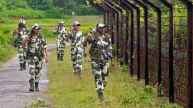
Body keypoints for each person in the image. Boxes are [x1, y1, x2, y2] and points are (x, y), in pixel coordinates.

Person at [84, 23, 112, 98]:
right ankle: (100, 93)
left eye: (103, 28)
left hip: (105, 61)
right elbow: (86, 42)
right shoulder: (93, 36)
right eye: (100, 28)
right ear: (97, 28)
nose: (102, 29)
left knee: (105, 79)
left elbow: (110, 48)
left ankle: (102, 86)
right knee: (98, 76)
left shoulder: (107, 37)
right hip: (95, 60)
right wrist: (89, 35)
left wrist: (109, 55)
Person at [23, 24, 48, 92]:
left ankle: (36, 86)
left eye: (39, 29)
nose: (38, 30)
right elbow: (23, 45)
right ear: (33, 29)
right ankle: (31, 86)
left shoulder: (41, 37)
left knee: (38, 72)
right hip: (31, 57)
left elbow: (45, 47)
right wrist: (25, 40)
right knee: (32, 71)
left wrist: (46, 56)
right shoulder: (29, 36)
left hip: (39, 57)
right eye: (36, 29)